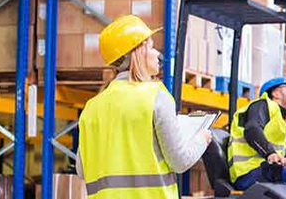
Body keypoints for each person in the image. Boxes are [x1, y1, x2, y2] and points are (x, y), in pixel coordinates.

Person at [77, 15, 212, 198]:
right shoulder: (155, 97)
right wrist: (202, 139)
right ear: (137, 52)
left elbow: (82, 170)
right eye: (150, 46)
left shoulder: (91, 108)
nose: (157, 53)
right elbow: (180, 160)